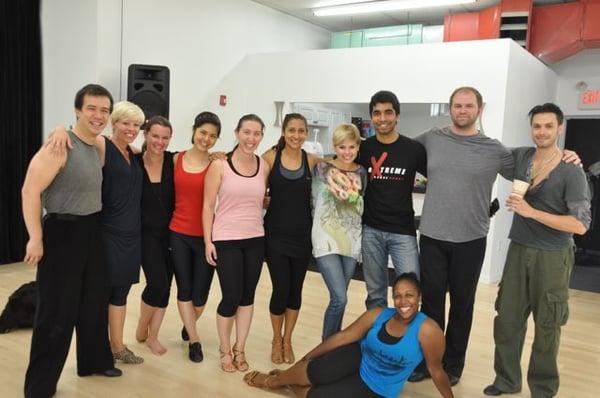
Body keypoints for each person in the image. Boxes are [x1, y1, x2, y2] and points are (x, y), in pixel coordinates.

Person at [409, 87, 581, 386]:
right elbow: (401, 151)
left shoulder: (494, 150)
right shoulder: (431, 138)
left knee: (462, 306)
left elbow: (536, 163)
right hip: (433, 236)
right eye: (457, 105)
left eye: (469, 106)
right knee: (432, 305)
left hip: (471, 240)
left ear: (480, 110)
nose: (463, 110)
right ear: (450, 108)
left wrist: (567, 155)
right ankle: (428, 362)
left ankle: (453, 366)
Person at [483, 103, 591, 397]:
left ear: (560, 128)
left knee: (547, 325)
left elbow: (580, 225)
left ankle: (543, 388)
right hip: (518, 250)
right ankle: (506, 380)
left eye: (548, 126)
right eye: (537, 126)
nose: (541, 132)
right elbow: (485, 150)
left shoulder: (572, 172)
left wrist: (531, 212)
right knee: (507, 320)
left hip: (553, 257)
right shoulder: (521, 157)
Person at [22, 84, 121, 398]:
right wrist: (35, 237)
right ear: (78, 110)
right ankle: (39, 386)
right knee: (56, 311)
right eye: (91, 108)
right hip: (63, 232)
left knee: (93, 303)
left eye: (104, 110)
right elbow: (29, 191)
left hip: (92, 230)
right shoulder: (59, 146)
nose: (98, 115)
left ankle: (93, 362)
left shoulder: (98, 146)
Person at [243, 272, 454, 398]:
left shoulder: (429, 331)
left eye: (409, 296)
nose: (403, 302)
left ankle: (288, 383)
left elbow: (436, 371)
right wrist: (308, 356)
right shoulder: (379, 315)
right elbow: (343, 337)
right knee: (315, 370)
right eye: (397, 296)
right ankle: (273, 381)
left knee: (318, 395)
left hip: (378, 386)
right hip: (359, 356)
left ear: (419, 297)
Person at [203, 114, 270, 372]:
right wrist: (208, 241)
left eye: (256, 134)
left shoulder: (263, 165)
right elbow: (208, 206)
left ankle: (240, 348)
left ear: (262, 136)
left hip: (255, 238)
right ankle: (224, 349)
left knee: (247, 297)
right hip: (226, 239)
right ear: (237, 133)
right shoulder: (220, 165)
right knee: (230, 297)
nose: (251, 139)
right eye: (246, 132)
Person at [358, 91, 426, 310]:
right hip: (371, 230)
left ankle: (407, 341)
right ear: (371, 116)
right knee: (375, 294)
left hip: (402, 232)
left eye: (388, 112)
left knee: (410, 292)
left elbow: (438, 176)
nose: (382, 118)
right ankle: (376, 340)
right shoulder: (364, 148)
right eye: (377, 113)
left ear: (397, 115)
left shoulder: (413, 149)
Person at [262, 113, 319, 364]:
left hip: (302, 237)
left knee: (295, 291)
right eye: (292, 130)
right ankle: (276, 338)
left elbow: (342, 164)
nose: (297, 135)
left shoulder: (312, 160)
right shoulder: (270, 157)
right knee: (280, 288)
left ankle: (288, 340)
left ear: (306, 133)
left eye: (301, 131)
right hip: (274, 235)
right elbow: (249, 178)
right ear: (284, 132)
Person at [170, 111, 221, 362]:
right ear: (194, 130)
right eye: (203, 132)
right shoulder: (175, 159)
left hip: (206, 237)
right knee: (185, 289)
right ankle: (194, 339)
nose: (206, 139)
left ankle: (188, 323)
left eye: (212, 136)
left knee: (200, 295)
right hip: (178, 233)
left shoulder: (217, 164)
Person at [312, 124, 367, 341]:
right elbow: (315, 203)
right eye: (342, 147)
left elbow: (362, 205)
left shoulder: (361, 171)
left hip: (351, 241)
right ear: (335, 146)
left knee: (339, 298)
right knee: (339, 298)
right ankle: (325, 348)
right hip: (325, 239)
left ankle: (333, 344)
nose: (347, 152)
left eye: (351, 147)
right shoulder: (322, 168)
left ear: (357, 147)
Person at [134, 116, 175, 356]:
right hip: (145, 234)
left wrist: (217, 155)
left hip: (171, 234)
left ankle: (153, 336)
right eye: (155, 136)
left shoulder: (174, 160)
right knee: (157, 282)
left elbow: (200, 157)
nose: (160, 142)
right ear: (146, 135)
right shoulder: (134, 161)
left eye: (165, 137)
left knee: (166, 286)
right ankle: (142, 325)